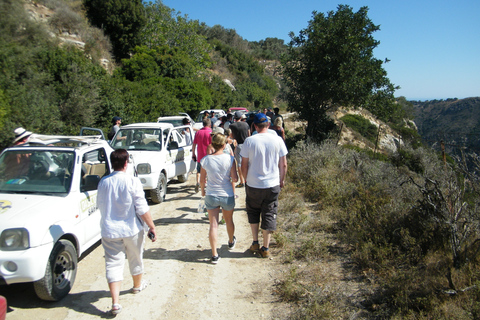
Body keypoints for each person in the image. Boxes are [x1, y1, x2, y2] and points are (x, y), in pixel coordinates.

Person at [97, 149, 157, 315]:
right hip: (131, 228)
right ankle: (137, 286)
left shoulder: (103, 182)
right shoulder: (133, 181)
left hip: (110, 230)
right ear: (126, 163)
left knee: (113, 263)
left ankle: (115, 302)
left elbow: (100, 205)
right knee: (135, 256)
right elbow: (142, 208)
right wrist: (151, 226)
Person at [240, 113, 288, 258]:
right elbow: (283, 164)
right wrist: (282, 180)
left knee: (253, 211)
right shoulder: (278, 140)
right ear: (268, 124)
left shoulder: (249, 141)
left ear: (254, 125)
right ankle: (265, 247)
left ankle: (255, 242)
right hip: (272, 183)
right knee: (269, 212)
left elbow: (244, 164)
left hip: (253, 184)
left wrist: (246, 180)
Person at [200, 133, 238, 264]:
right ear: (224, 144)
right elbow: (235, 178)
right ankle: (231, 241)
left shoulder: (205, 160)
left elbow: (202, 180)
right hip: (227, 194)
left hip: (211, 194)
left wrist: (203, 191)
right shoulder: (230, 159)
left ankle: (214, 254)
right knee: (228, 220)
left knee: (213, 225)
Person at [229, 111, 250, 188]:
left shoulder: (232, 125)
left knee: (239, 163)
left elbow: (231, 135)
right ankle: (248, 179)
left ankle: (242, 181)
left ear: (234, 118)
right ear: (241, 117)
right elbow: (249, 134)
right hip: (246, 144)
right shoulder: (246, 124)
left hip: (238, 145)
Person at [192, 118, 212, 193]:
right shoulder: (211, 132)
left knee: (198, 171)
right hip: (209, 156)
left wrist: (193, 153)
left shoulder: (198, 133)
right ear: (209, 124)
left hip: (200, 156)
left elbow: (194, 144)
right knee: (208, 171)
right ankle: (205, 184)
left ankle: (198, 182)